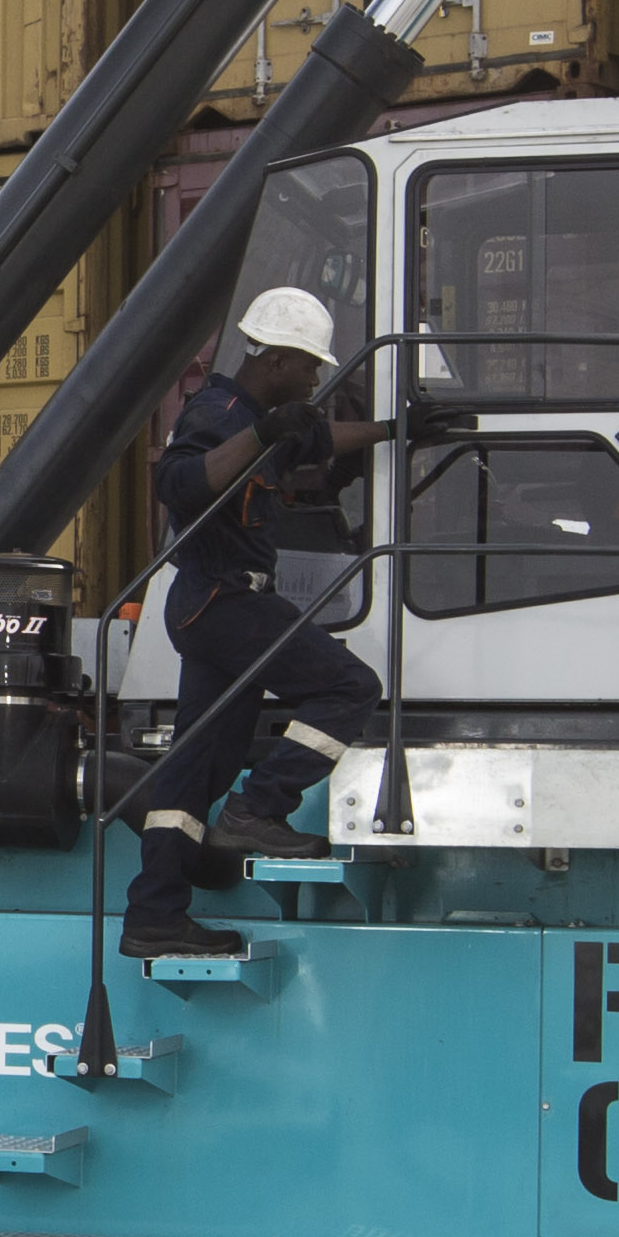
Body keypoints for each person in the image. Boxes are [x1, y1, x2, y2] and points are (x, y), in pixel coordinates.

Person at [128, 285, 389, 961]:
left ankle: (154, 915)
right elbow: (181, 484)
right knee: (350, 687)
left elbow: (318, 440)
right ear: (275, 361)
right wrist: (261, 434)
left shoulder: (261, 416)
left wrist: (397, 431)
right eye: (310, 367)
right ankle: (260, 808)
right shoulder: (217, 413)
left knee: (191, 777)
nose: (315, 379)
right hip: (225, 601)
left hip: (209, 610)